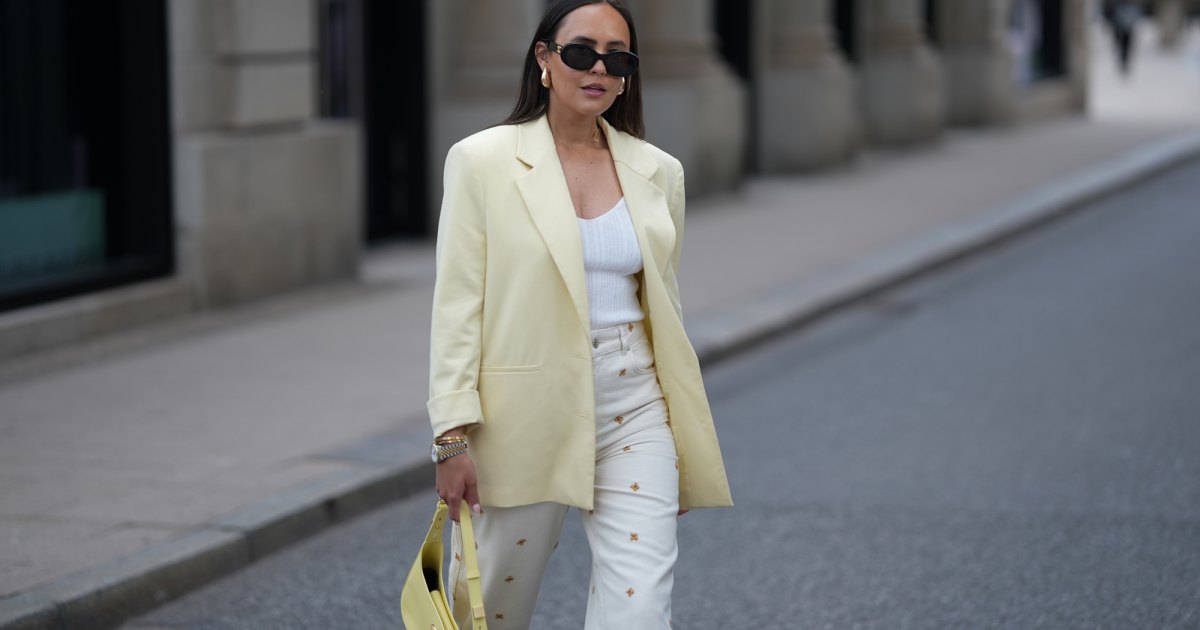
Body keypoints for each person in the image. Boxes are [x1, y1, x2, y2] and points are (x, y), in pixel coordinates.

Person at [427, 0, 733, 627]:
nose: (599, 68)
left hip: (635, 402)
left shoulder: (658, 171)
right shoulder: (482, 161)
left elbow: (664, 307)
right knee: (491, 609)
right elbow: (458, 302)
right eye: (581, 52)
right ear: (544, 58)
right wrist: (451, 435)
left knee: (639, 609)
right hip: (520, 412)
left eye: (617, 58)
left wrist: (679, 435)